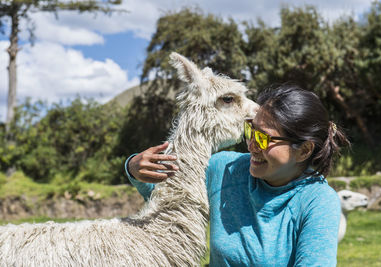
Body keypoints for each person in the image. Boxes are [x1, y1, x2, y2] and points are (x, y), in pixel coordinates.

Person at [125, 84, 350, 266]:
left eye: (264, 139)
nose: (252, 145)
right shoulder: (224, 169)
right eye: (251, 131)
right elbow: (168, 196)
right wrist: (134, 167)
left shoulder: (318, 202)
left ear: (303, 150)